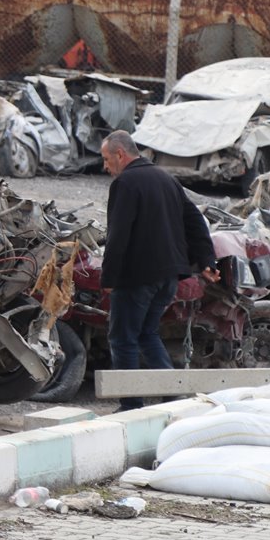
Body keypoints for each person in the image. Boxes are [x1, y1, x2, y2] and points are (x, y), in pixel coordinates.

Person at [99, 130, 218, 411]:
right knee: (147, 334)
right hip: (169, 277)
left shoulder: (125, 183)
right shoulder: (166, 178)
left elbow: (118, 235)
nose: (105, 167)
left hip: (137, 277)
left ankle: (131, 407)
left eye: (106, 159)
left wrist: (109, 278)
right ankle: (173, 398)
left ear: (120, 154)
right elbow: (195, 220)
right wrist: (207, 261)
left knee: (123, 339)